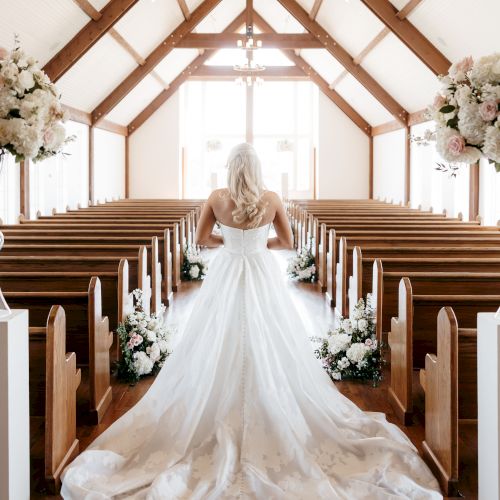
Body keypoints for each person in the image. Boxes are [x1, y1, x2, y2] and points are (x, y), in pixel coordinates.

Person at [61, 143, 442, 499]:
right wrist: (258, 244)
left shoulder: (216, 198)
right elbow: (289, 243)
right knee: (270, 336)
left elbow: (201, 240)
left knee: (217, 337)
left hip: (227, 271)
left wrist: (231, 243)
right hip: (261, 271)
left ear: (230, 168)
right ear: (257, 169)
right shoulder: (272, 199)